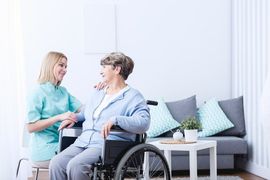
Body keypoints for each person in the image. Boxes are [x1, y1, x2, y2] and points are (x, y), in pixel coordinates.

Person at [49, 52, 150, 180]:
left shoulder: (133, 96)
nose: (100, 71)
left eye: (104, 67)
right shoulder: (98, 92)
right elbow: (87, 112)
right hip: (84, 141)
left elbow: (144, 122)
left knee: (76, 165)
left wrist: (116, 120)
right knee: (56, 163)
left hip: (107, 144)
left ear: (117, 69)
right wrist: (75, 118)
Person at [26, 51, 81, 168]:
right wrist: (59, 117)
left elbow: (84, 109)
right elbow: (30, 127)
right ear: (50, 65)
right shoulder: (37, 92)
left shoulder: (63, 91)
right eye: (61, 65)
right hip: (44, 150)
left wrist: (100, 92)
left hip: (61, 144)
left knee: (88, 157)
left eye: (66, 66)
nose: (65, 69)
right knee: (81, 162)